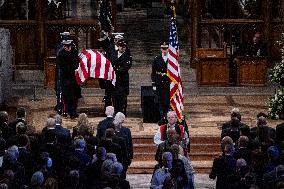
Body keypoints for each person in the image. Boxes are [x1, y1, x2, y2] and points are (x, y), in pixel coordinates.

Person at [56, 39, 81, 119]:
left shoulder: (73, 51)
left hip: (74, 79)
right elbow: (64, 68)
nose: (68, 48)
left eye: (69, 46)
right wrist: (73, 70)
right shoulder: (61, 54)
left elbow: (77, 61)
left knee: (75, 96)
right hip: (67, 79)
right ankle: (71, 112)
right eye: (66, 47)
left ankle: (74, 111)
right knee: (69, 97)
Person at [151, 42, 171, 120]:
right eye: (163, 49)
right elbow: (153, 72)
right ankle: (161, 116)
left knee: (167, 100)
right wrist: (154, 84)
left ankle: (167, 116)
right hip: (159, 81)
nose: (164, 51)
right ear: (161, 49)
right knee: (160, 100)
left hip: (168, 82)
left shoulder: (171, 59)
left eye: (166, 49)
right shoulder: (157, 59)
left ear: (168, 49)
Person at [112, 41, 132, 115]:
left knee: (123, 96)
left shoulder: (127, 56)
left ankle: (122, 111)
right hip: (114, 79)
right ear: (118, 46)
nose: (122, 48)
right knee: (115, 95)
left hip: (123, 79)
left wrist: (116, 69)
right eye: (120, 46)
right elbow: (111, 63)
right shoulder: (114, 54)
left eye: (123, 47)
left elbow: (125, 68)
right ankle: (116, 110)